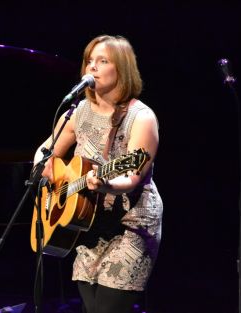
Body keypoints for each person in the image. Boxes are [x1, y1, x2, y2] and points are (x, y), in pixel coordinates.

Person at [33, 34, 163, 313]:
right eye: (89, 61)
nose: (91, 67)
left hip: (131, 224)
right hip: (86, 223)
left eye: (102, 61)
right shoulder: (78, 111)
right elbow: (46, 150)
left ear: (122, 69)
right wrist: (48, 171)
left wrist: (105, 184)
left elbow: (133, 177)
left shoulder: (141, 117)